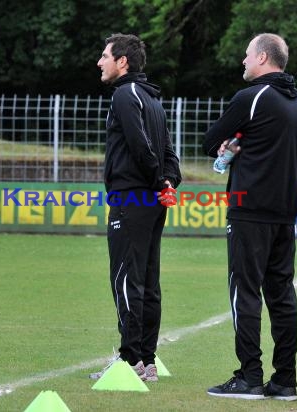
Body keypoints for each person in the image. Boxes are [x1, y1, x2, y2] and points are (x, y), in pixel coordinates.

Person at [202, 33, 297, 401]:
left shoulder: (252, 97)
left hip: (250, 210)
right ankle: (285, 381)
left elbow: (209, 139)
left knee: (244, 292)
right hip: (285, 211)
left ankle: (249, 377)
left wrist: (227, 147)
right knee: (281, 295)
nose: (242, 62)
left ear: (263, 57)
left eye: (247, 55)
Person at [89, 33, 182, 382]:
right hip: (152, 201)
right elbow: (169, 152)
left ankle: (130, 361)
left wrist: (160, 182)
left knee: (126, 278)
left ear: (122, 61)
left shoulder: (125, 95)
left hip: (132, 198)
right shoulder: (150, 98)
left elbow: (141, 146)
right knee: (146, 280)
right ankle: (147, 359)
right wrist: (169, 181)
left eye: (104, 55)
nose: (100, 62)